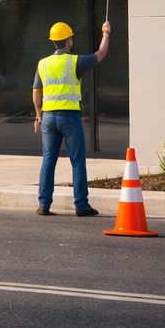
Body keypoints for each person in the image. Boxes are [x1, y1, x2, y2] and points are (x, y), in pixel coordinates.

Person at [33, 19, 112, 217]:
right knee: (77, 162)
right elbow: (100, 54)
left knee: (48, 161)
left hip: (49, 118)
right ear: (68, 40)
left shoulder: (43, 64)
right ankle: (81, 205)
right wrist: (106, 34)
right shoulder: (75, 61)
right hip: (70, 118)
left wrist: (38, 115)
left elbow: (36, 91)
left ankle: (44, 205)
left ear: (53, 41)